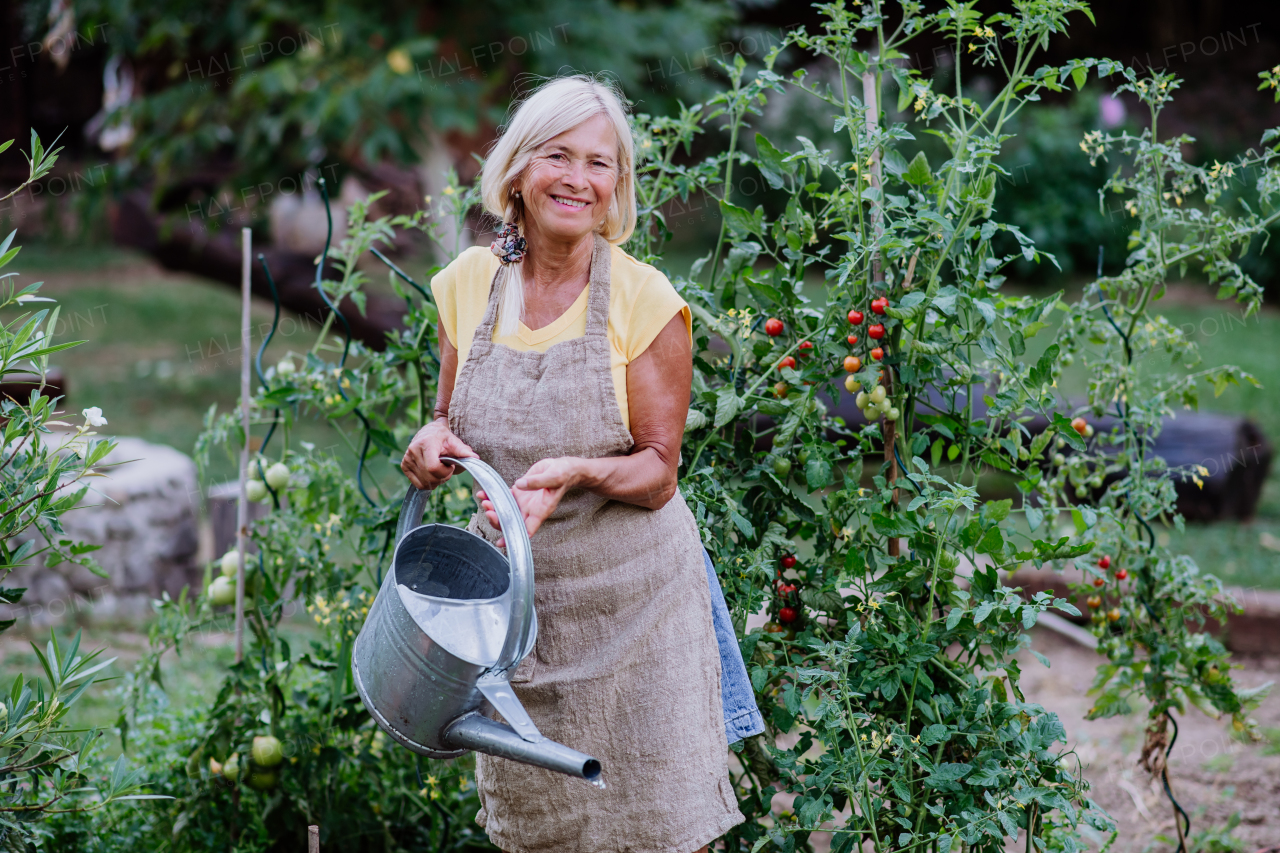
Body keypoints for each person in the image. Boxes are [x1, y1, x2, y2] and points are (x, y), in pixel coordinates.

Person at [400, 74, 760, 853]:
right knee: (542, 827)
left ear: (618, 186)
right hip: (516, 617)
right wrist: (430, 444)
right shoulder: (468, 285)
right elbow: (447, 420)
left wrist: (576, 470)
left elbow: (659, 471)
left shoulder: (644, 299)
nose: (579, 179)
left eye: (601, 164)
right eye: (559, 156)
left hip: (638, 612)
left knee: (664, 822)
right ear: (520, 172)